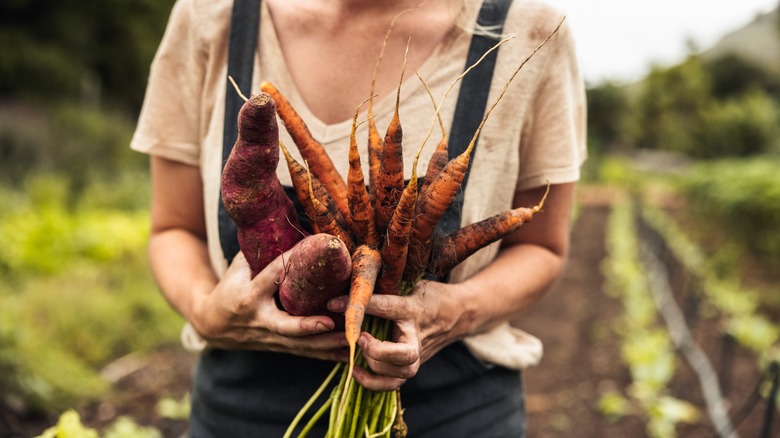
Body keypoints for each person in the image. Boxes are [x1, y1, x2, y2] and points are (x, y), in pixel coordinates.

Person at [131, 0, 586, 435]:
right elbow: (174, 228)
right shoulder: (210, 18)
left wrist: (454, 313)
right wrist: (206, 313)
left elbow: (541, 248)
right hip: (241, 410)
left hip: (454, 414)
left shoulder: (529, 30)